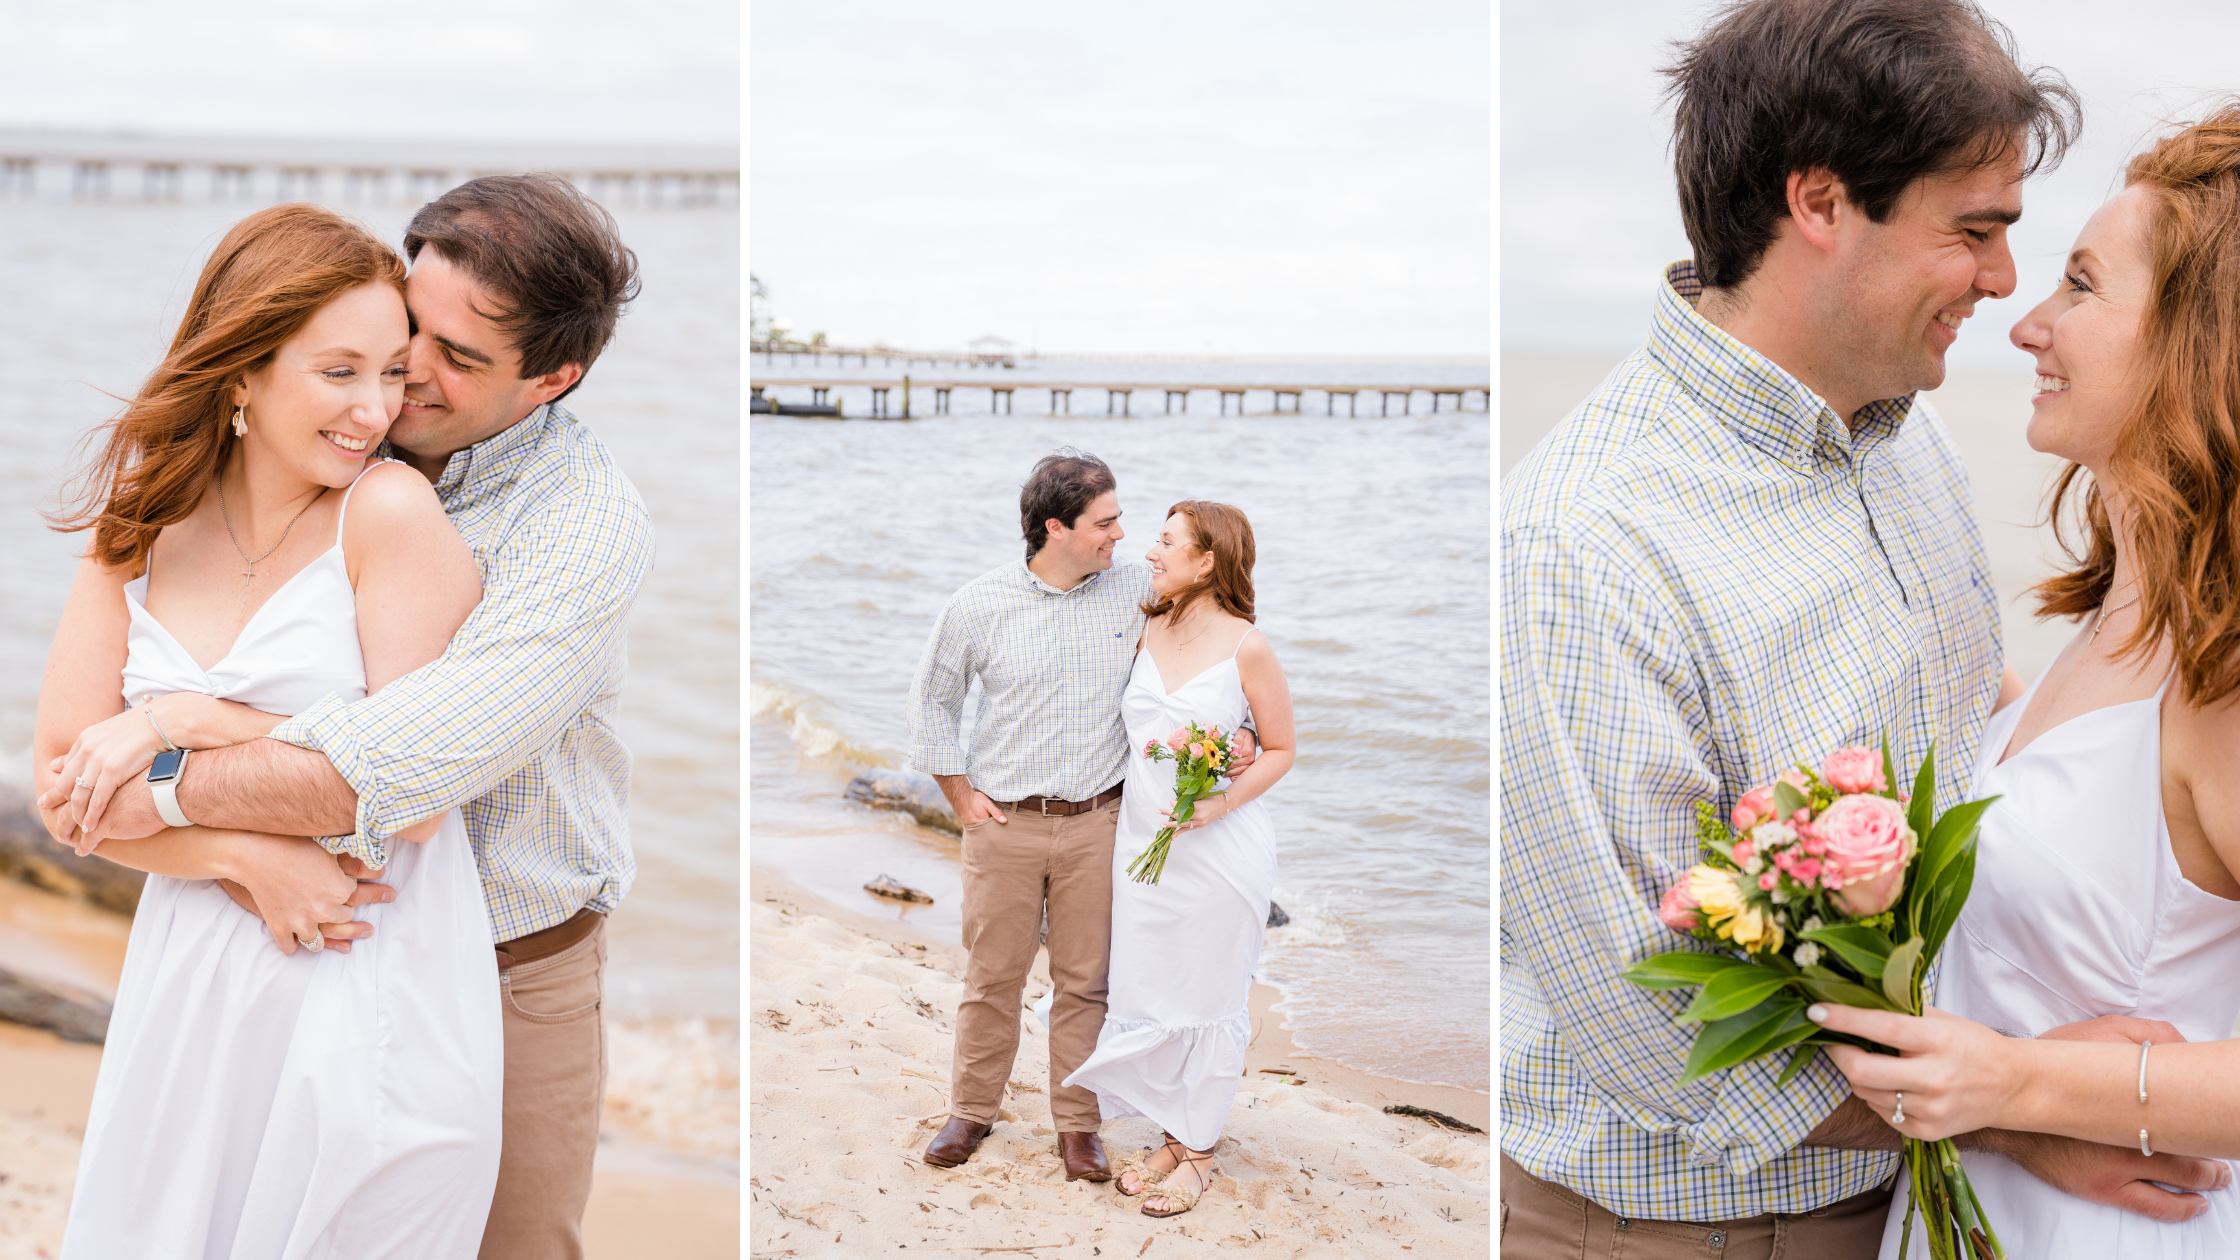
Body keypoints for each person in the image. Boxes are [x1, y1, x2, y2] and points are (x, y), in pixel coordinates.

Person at [1499, 1, 2227, 1254]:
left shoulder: (1908, 438)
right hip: (1697, 1227)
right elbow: (1649, 1030)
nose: (2005, 288)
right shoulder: (1581, 542)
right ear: (1820, 203)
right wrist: (2007, 1112)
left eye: (2050, 263)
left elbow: (1982, 748)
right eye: (1975, 231)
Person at [43, 174, 653, 1260]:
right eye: (402, 331)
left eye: (453, 360)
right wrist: (232, 854)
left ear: (548, 379)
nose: (402, 380)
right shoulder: (272, 469)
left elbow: (389, 777)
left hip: (496, 959)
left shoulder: (577, 529)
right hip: (213, 955)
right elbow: (65, 782)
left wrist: (175, 744)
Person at [1796, 102, 2240, 1254]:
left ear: (2206, 341)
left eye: (2082, 286)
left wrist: (2014, 1087)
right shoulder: (2114, 621)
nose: (2026, 322)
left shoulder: (2223, 678)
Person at [905, 451, 1257, 1184]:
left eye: (1123, 520)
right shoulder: (978, 604)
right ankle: (971, 1110)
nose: (1122, 536)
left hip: (1101, 822)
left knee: (1086, 985)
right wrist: (958, 794)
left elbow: (1217, 644)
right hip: (1004, 825)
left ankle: (1077, 1126)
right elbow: (934, 700)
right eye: (1106, 522)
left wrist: (1243, 728)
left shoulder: (1139, 590)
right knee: (991, 977)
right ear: (1056, 527)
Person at [1063, 500, 1291, 1218]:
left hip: (1218, 849)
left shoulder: (1248, 646)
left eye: (1166, 542)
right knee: (1151, 988)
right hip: (1143, 845)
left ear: (1207, 560)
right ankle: (1175, 1135)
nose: (1151, 553)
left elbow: (1281, 748)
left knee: (1210, 995)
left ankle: (1197, 1154)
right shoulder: (1146, 625)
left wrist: (1215, 803)